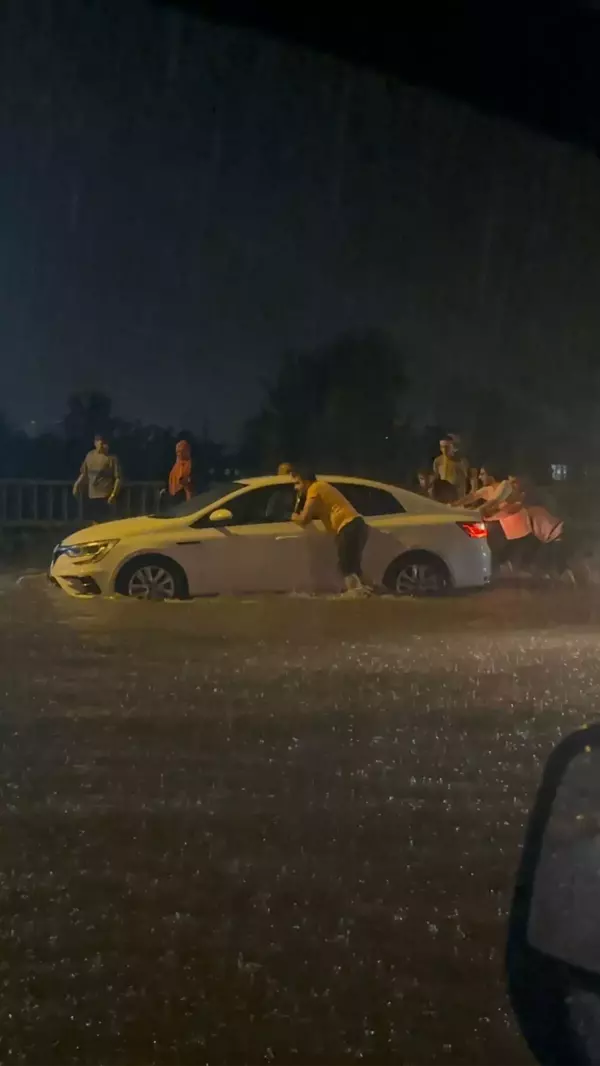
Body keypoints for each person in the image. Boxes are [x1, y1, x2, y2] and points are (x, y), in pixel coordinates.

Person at [291, 467, 371, 595]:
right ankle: (373, 595)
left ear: (306, 481)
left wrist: (294, 516)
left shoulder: (315, 488)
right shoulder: (321, 489)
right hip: (355, 525)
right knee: (354, 569)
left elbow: (304, 519)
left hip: (348, 527)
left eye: (297, 483)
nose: (295, 488)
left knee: (347, 569)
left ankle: (359, 599)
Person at [73, 434, 122, 523]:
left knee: (106, 522)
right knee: (93, 521)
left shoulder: (112, 458)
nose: (102, 445)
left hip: (105, 495)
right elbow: (84, 473)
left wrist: (113, 495)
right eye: (100, 443)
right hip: (92, 495)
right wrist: (76, 485)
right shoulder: (90, 455)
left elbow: (118, 478)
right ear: (95, 443)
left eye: (104, 443)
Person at [166, 440, 194, 504]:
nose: (179, 453)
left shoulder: (192, 465)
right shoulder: (175, 467)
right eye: (178, 451)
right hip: (176, 500)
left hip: (189, 500)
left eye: (182, 451)